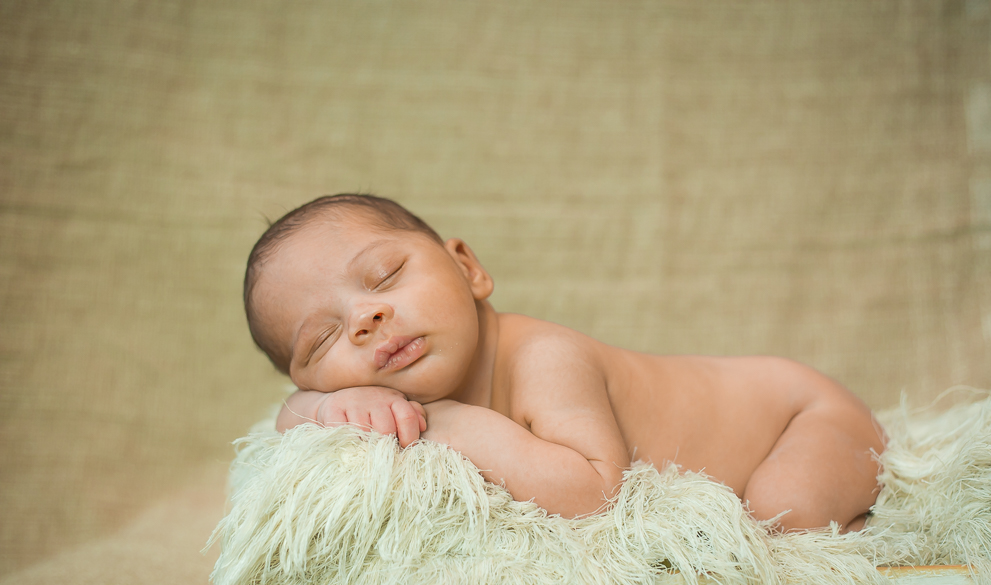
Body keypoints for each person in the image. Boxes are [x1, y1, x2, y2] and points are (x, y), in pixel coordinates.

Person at [244, 194, 884, 530]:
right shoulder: (332, 395)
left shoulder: (545, 358)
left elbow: (593, 492)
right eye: (323, 340)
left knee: (786, 510)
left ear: (468, 268)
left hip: (799, 414)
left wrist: (449, 423)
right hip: (785, 409)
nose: (364, 318)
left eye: (384, 277)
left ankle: (873, 527)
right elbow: (287, 426)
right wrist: (321, 409)